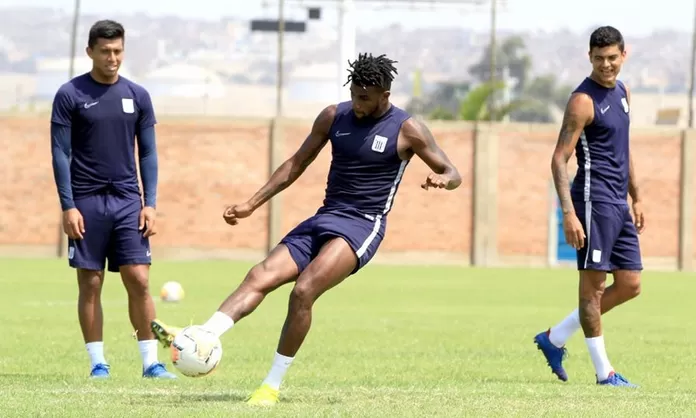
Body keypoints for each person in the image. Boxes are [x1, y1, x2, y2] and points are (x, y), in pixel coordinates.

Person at [150, 52, 462, 404]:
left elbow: (453, 172)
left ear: (384, 95)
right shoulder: (334, 116)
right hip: (325, 216)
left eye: (365, 98)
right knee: (260, 275)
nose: (357, 104)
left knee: (303, 291)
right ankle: (201, 335)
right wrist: (251, 204)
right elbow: (296, 163)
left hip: (363, 225)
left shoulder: (408, 130)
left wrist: (442, 180)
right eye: (354, 94)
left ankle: (270, 385)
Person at [50, 19, 176, 380]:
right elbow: (60, 152)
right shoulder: (70, 95)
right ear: (89, 51)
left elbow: (148, 154)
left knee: (139, 279)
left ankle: (151, 362)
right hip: (86, 202)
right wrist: (67, 205)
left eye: (118, 51)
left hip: (127, 202)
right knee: (90, 282)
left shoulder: (137, 96)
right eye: (105, 51)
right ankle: (98, 363)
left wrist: (149, 203)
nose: (112, 58)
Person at [534, 26, 643, 388]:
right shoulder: (583, 100)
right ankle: (604, 373)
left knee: (629, 284)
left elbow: (623, 150)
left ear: (623, 55)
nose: (606, 65)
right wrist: (568, 212)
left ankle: (555, 337)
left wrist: (637, 196)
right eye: (599, 59)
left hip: (618, 203)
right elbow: (558, 158)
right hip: (593, 202)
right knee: (592, 290)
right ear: (590, 58)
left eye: (612, 58)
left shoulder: (624, 92)